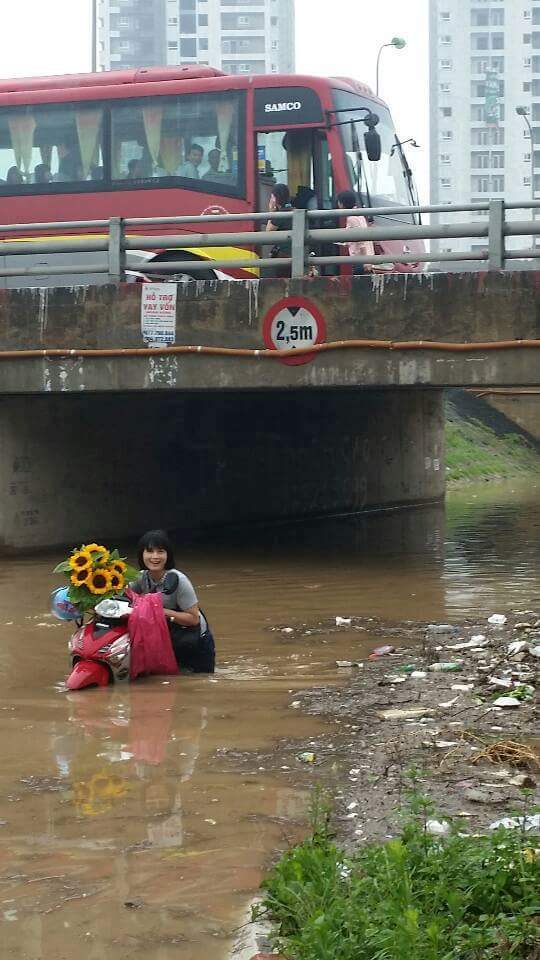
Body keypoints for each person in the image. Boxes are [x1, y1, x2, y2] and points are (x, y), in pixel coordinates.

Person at [129, 529, 215, 673]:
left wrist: (161, 612)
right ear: (141, 554)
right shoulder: (141, 578)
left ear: (168, 555)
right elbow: (125, 598)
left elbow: (194, 619)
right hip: (168, 642)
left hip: (195, 642)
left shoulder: (180, 580)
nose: (155, 557)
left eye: (160, 551)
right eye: (149, 551)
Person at [336, 189, 375, 274]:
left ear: (342, 204)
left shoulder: (352, 218)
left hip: (360, 259)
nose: (338, 205)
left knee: (358, 284)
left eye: (338, 202)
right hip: (365, 257)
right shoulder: (360, 215)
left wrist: (365, 262)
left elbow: (361, 241)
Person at [265, 183, 294, 278]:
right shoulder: (292, 210)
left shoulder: (281, 214)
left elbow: (268, 232)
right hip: (297, 255)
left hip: (285, 256)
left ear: (275, 198)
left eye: (271, 197)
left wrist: (271, 212)